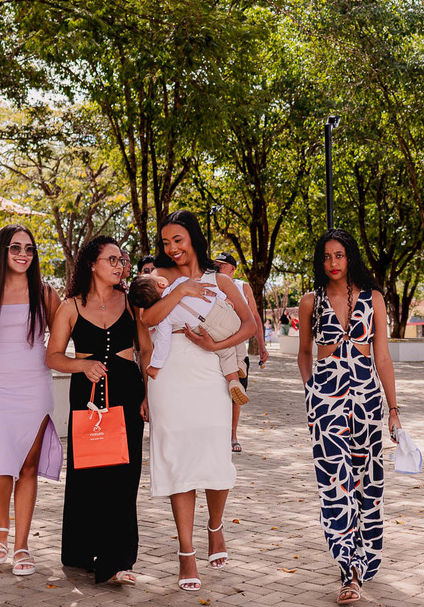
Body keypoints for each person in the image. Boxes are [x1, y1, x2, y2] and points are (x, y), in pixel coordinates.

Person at [137, 210, 257, 592]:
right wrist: (180, 291)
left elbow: (250, 324)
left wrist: (216, 345)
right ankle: (186, 552)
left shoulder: (221, 279)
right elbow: (146, 321)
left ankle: (216, 526)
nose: (172, 248)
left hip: (210, 373)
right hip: (168, 377)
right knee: (178, 459)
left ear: (193, 238)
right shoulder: (158, 278)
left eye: (179, 239)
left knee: (214, 455)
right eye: (166, 241)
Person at [297, 229, 401, 605]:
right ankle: (349, 570)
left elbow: (383, 357)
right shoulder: (311, 301)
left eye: (339, 256)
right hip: (326, 402)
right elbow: (305, 353)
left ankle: (364, 559)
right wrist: (312, 390)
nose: (333, 263)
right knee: (334, 484)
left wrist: (393, 410)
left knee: (367, 485)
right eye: (326, 257)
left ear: (350, 257)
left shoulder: (374, 299)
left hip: (367, 401)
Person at [0, 225, 63, 576]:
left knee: (28, 466)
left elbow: (63, 336)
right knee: (1, 460)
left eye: (30, 249)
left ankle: (22, 545)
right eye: (15, 247)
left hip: (35, 387)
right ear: (1, 251)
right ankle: (0, 524)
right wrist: (2, 369)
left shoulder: (47, 295)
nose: (23, 254)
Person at [47, 236, 147, 586]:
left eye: (121, 260)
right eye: (111, 259)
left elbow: (145, 351)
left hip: (126, 390)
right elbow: (53, 356)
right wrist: (81, 365)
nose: (119, 266)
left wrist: (148, 395)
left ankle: (117, 561)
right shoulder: (70, 306)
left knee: (124, 474)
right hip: (87, 394)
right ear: (92, 264)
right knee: (88, 475)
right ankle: (80, 551)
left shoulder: (131, 302)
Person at [128, 272, 248, 403]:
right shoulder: (182, 282)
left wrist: (155, 366)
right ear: (161, 283)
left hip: (208, 331)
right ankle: (240, 362)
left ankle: (234, 381)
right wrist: (224, 297)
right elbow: (208, 287)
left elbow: (163, 342)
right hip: (223, 313)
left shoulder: (164, 317)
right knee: (237, 335)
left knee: (226, 353)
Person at [213, 251, 269, 452]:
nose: (217, 267)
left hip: (239, 350)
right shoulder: (209, 284)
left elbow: (254, 317)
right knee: (217, 394)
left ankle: (232, 436)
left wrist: (262, 346)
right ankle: (214, 435)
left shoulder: (242, 287)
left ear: (232, 269)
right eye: (215, 264)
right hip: (215, 350)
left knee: (236, 394)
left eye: (222, 265)